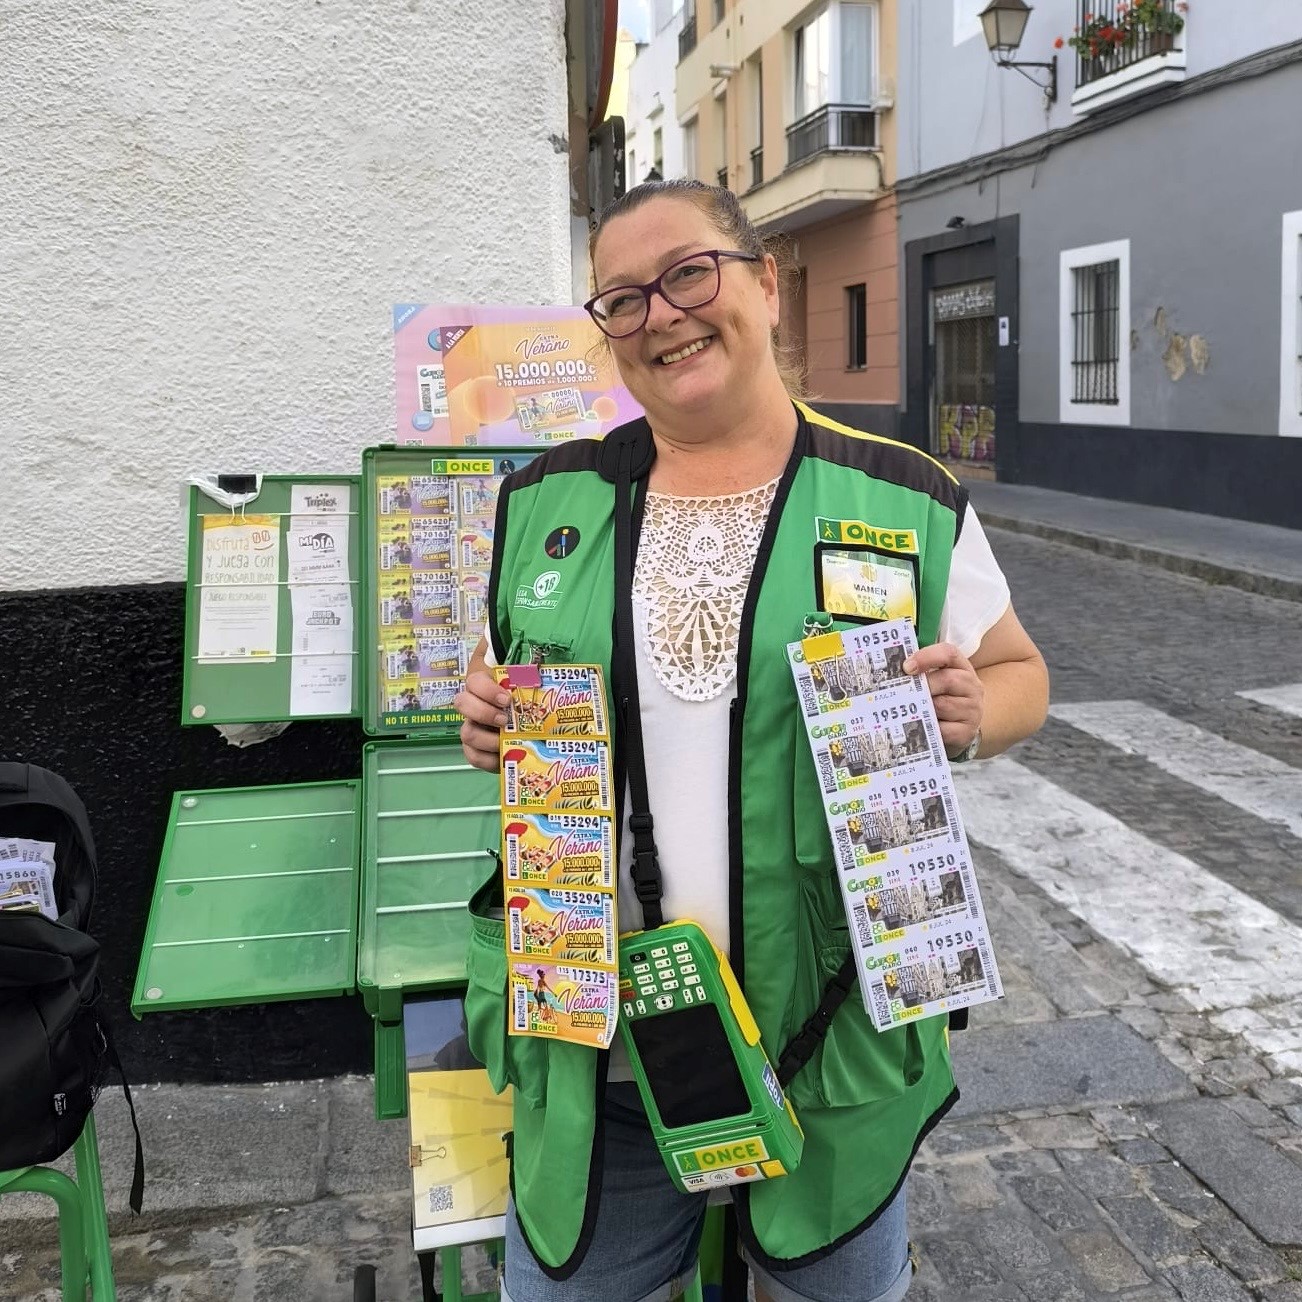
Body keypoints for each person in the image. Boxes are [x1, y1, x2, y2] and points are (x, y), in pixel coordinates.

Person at [454, 179, 1049, 1302]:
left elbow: (1021, 675)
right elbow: (497, 678)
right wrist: (481, 716)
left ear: (765, 283)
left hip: (829, 1046)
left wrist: (974, 715)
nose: (662, 316)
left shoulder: (903, 496)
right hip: (603, 1054)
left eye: (689, 274)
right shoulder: (544, 502)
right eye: (622, 300)